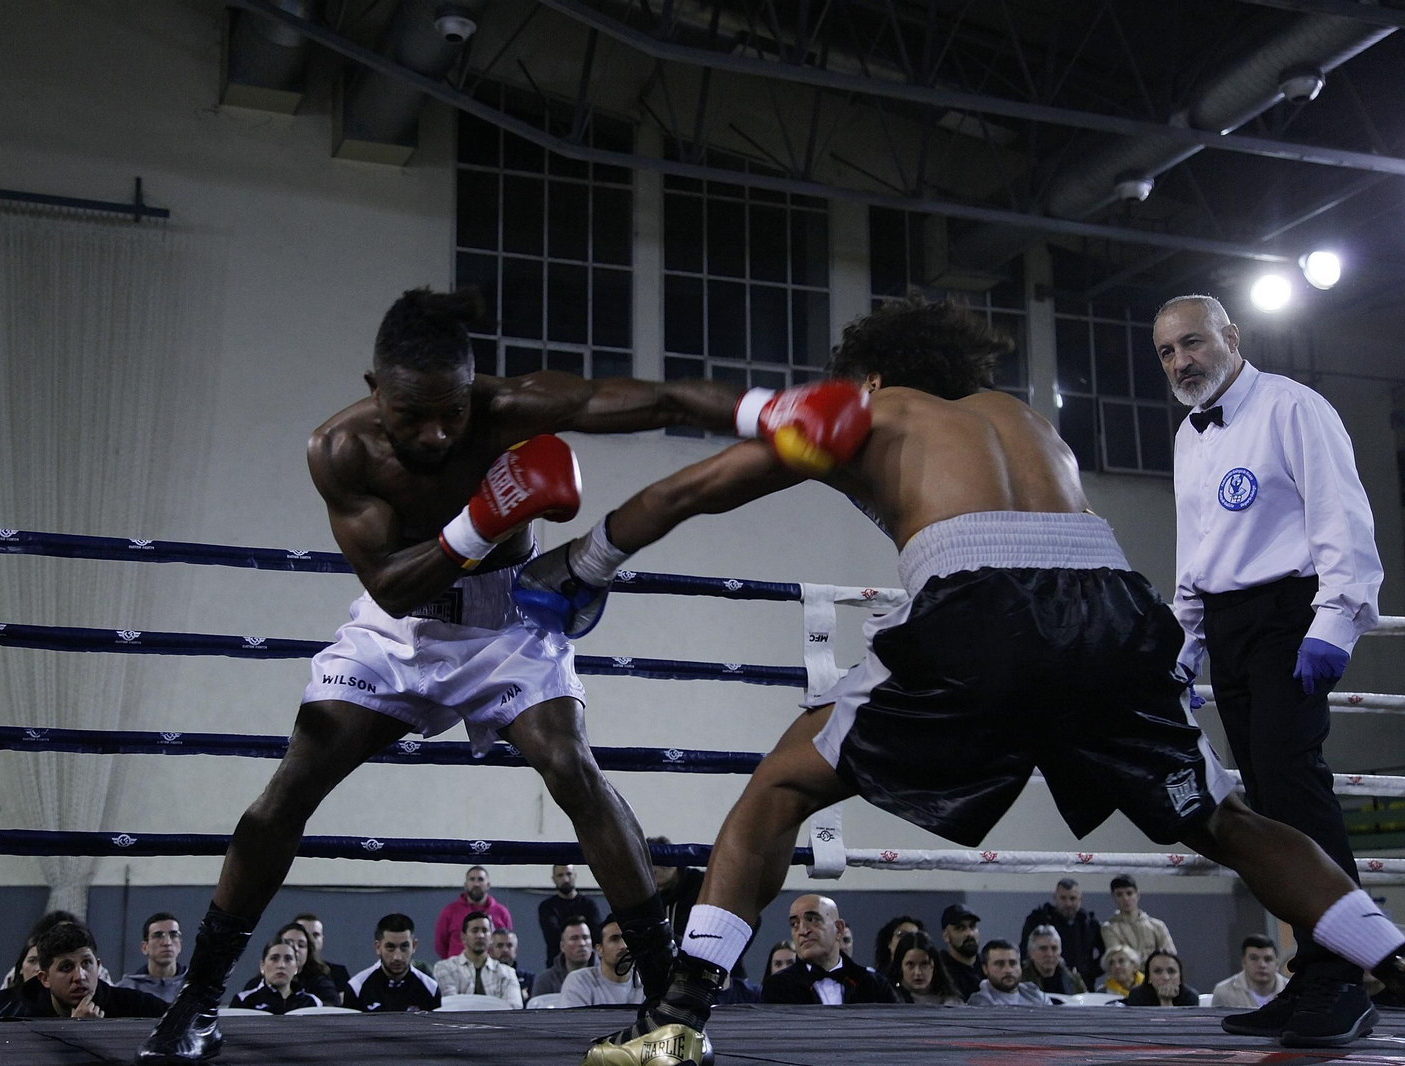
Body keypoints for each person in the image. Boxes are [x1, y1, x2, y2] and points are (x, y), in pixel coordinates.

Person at [522, 295, 1405, 1062]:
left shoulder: (867, 412)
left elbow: (694, 488)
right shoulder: (1026, 420)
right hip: (1111, 607)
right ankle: (1393, 962)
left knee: (782, 786)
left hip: (982, 608)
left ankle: (677, 1019)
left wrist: (585, 563)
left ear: (867, 377)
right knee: (1223, 817)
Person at [140, 287, 748, 1062]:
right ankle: (198, 1000)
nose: (434, 433)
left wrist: (768, 413)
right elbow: (391, 584)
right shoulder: (340, 449)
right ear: (373, 391)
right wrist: (480, 519)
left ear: (474, 390)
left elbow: (647, 397)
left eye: (452, 414)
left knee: (573, 768)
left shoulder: (511, 408)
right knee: (287, 791)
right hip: (401, 626)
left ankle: (668, 1002)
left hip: (506, 621)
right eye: (411, 415)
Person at [1156, 293, 1384, 1046]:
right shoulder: (1190, 435)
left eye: (1192, 343)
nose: (1182, 362)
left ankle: (1345, 979)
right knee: (1267, 807)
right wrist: (1188, 643)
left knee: (1297, 792)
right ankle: (1312, 973)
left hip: (1290, 618)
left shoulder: (1295, 408)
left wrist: (1335, 623)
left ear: (1231, 336)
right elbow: (1197, 550)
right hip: (1227, 626)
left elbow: (1343, 520)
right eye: (1167, 353)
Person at [761, 894, 895, 1005]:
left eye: (812, 919)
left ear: (839, 929)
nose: (802, 931)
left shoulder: (874, 986)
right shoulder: (777, 987)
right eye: (794, 924)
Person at [29, 923, 167, 1019]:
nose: (79, 976)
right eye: (66, 967)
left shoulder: (136, 1006)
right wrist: (74, 1031)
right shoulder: (21, 1015)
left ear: (98, 966)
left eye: (86, 963)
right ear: (45, 979)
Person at [1020, 877, 1103, 987]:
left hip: (1081, 983)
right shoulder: (1038, 919)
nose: (1068, 903)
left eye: (1072, 898)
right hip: (1041, 983)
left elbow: (1107, 954)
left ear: (1080, 898)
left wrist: (1089, 971)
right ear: (1055, 897)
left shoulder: (1090, 923)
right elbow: (1025, 951)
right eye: (1063, 898)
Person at [349, 914, 440, 1013]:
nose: (397, 957)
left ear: (414, 946)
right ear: (378, 947)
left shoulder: (431, 989)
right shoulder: (357, 987)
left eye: (404, 947)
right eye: (390, 947)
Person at [433, 911, 523, 1008]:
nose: (480, 935)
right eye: (475, 930)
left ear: (491, 938)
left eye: (485, 930)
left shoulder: (507, 973)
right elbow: (449, 1007)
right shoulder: (445, 968)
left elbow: (514, 1009)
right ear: (463, 937)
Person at [435, 866, 515, 962]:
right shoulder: (449, 911)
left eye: (480, 879)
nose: (476, 884)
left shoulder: (501, 912)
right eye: (472, 879)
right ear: (466, 885)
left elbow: (508, 941)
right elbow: (440, 944)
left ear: (488, 885)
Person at [560, 918, 645, 1007]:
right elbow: (574, 1020)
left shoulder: (646, 983)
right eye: (614, 939)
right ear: (599, 949)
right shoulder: (579, 981)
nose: (624, 946)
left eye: (628, 939)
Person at [229, 941, 322, 1014]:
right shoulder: (243, 1001)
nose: (281, 965)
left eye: (288, 959)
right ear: (262, 966)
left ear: (296, 967)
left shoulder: (312, 1003)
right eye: (274, 958)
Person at [539, 864, 603, 967]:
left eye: (569, 874)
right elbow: (552, 937)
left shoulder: (589, 904)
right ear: (554, 879)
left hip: (588, 965)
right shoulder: (547, 907)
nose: (565, 879)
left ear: (575, 875)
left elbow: (597, 935)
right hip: (558, 967)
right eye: (560, 875)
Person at [1100, 875, 1176, 962]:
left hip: (1156, 974)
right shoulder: (1109, 928)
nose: (1125, 898)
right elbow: (1119, 960)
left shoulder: (1157, 925)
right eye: (1119, 894)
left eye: (1129, 893)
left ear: (1138, 895)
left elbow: (1170, 956)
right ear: (1113, 897)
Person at [117, 912, 188, 1003]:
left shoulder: (195, 986)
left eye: (174, 935)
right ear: (144, 947)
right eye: (158, 936)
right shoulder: (125, 989)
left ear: (180, 945)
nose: (167, 942)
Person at [1212, 935, 1288, 1009]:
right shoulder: (1223, 992)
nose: (1262, 965)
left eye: (1268, 959)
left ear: (1277, 964)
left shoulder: (1294, 991)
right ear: (1244, 962)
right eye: (1254, 958)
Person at [889, 931, 964, 1006]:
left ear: (934, 965)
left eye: (924, 964)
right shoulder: (889, 999)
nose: (918, 972)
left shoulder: (953, 1004)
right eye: (910, 964)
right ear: (900, 967)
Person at [968, 941, 1053, 1007]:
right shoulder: (979, 1002)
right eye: (999, 964)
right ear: (985, 969)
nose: (1008, 970)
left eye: (1013, 963)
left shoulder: (1035, 994)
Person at [292, 911, 352, 998]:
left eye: (316, 935)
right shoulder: (283, 973)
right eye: (305, 935)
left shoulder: (338, 973)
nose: (311, 940)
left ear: (322, 939)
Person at [533, 915, 596, 997]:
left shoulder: (607, 975)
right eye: (574, 938)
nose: (582, 943)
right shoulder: (546, 981)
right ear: (562, 946)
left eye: (585, 937)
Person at [0, 938, 41, 1019]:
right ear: (20, 967)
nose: (39, 968)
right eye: (32, 961)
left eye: (44, 962)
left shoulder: (60, 1005)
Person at [936, 904, 983, 1000]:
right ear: (946, 936)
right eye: (960, 928)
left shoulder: (988, 966)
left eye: (972, 926)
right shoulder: (940, 970)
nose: (969, 933)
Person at [1122, 950, 1200, 1007]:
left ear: (1180, 977)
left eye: (1171, 971)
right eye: (1157, 971)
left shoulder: (1190, 997)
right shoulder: (1137, 995)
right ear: (1149, 977)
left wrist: (1167, 1002)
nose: (1165, 977)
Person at [1025, 925, 1087, 995]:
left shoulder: (1072, 980)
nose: (1049, 954)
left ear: (1060, 951)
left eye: (1054, 948)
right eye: (1043, 949)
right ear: (1031, 953)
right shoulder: (1020, 982)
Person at [491, 927, 533, 1003]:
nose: (505, 950)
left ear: (516, 951)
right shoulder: (484, 977)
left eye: (509, 945)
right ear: (491, 951)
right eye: (500, 945)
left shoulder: (529, 978)